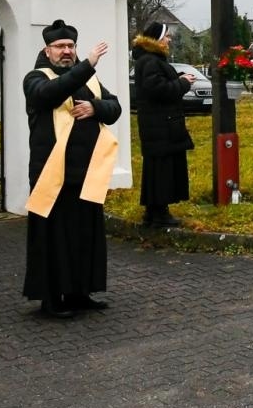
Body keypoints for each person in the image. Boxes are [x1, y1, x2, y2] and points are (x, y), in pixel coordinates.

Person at [23, 20, 122, 318]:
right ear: (47, 50)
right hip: (52, 174)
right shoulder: (36, 78)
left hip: (86, 172)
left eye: (70, 46)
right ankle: (51, 300)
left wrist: (96, 108)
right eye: (60, 47)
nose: (66, 51)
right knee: (53, 237)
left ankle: (81, 292)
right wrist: (88, 63)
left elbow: (115, 107)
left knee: (84, 235)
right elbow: (51, 94)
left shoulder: (88, 80)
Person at [130, 21, 197, 229]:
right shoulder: (151, 61)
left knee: (156, 169)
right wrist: (184, 83)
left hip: (158, 125)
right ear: (157, 39)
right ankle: (160, 213)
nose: (169, 39)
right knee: (162, 170)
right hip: (161, 125)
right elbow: (158, 90)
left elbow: (156, 84)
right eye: (167, 36)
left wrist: (177, 79)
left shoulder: (148, 60)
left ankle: (153, 211)